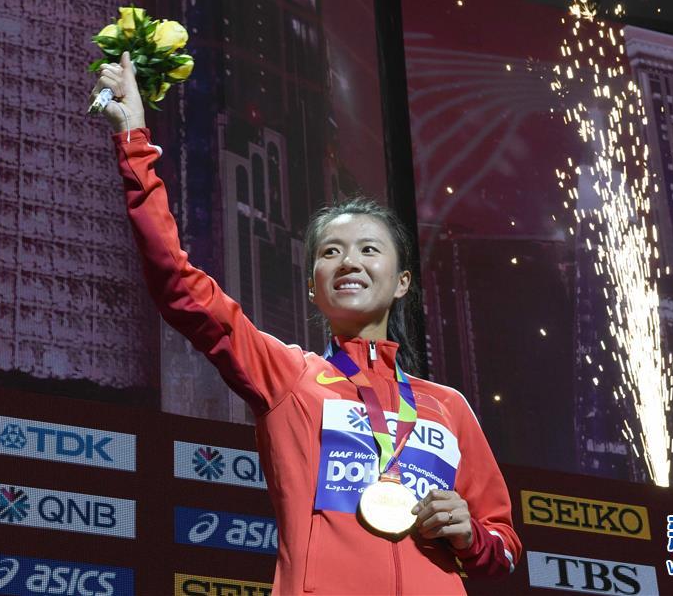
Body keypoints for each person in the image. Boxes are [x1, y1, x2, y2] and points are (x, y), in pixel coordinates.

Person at [90, 52, 521, 594]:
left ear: (402, 282)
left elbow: (505, 548)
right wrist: (133, 137)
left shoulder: (448, 407)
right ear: (313, 287)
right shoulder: (288, 377)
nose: (350, 262)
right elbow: (177, 283)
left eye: (369, 249)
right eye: (331, 252)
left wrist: (470, 534)